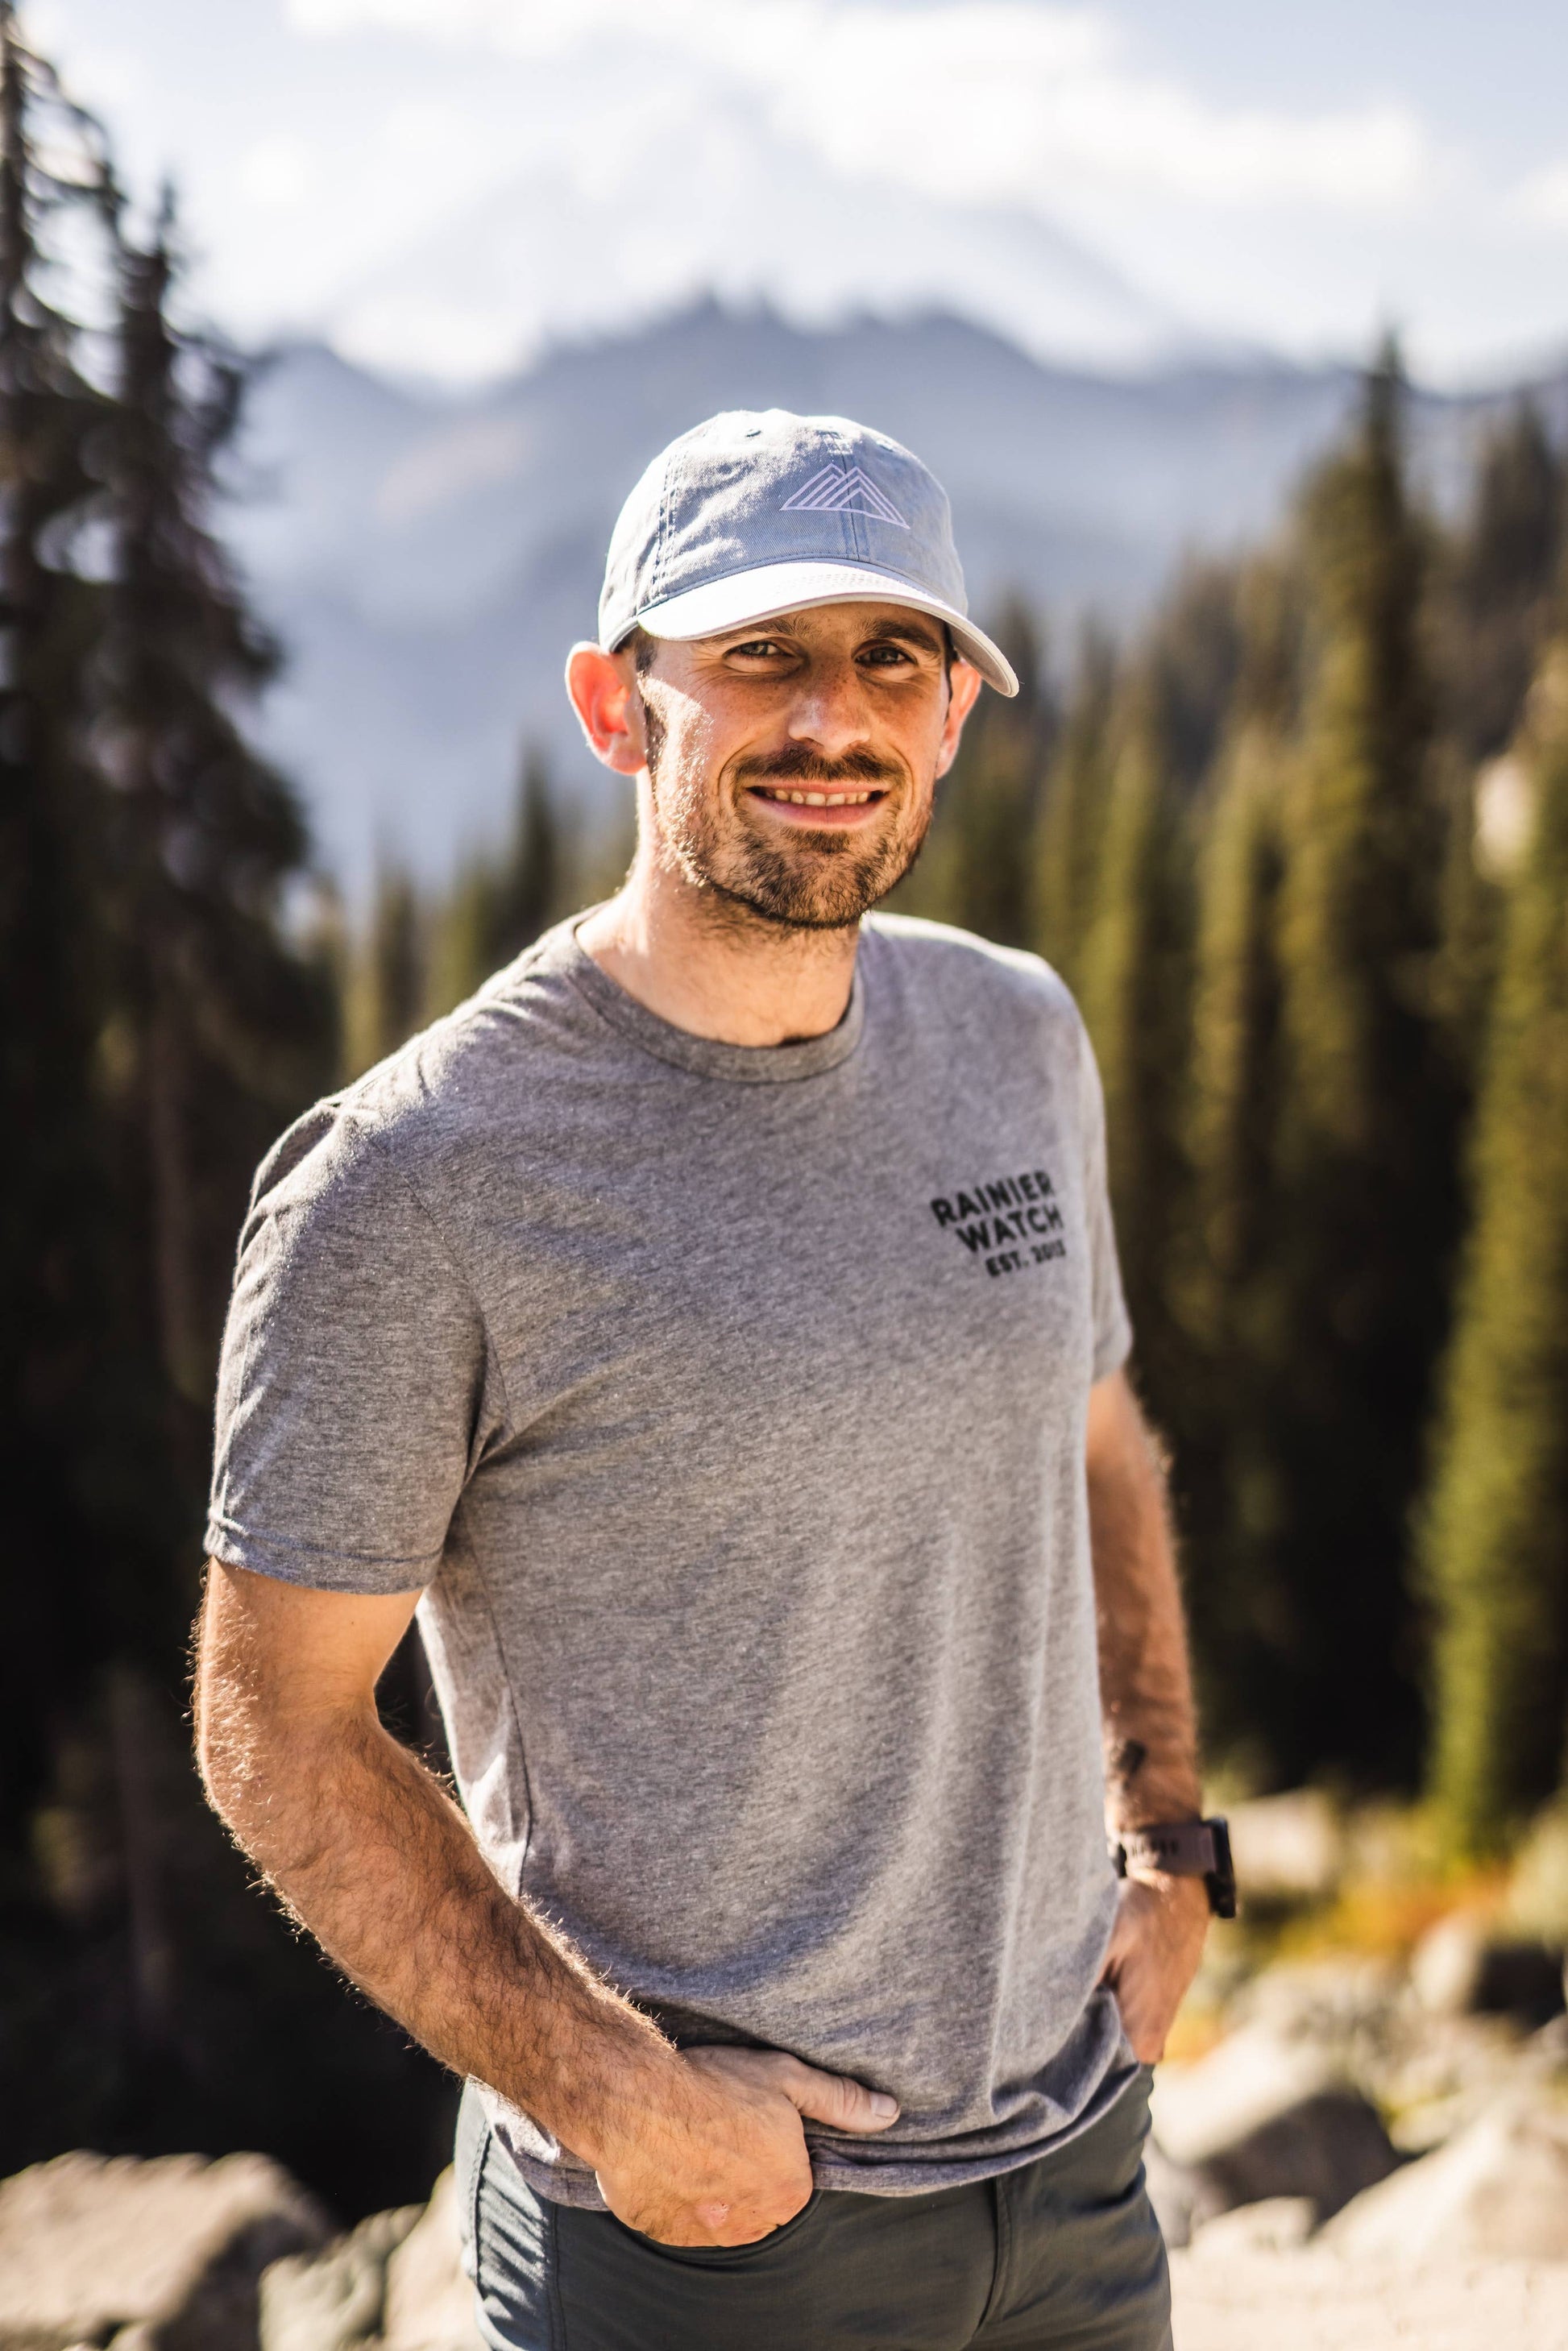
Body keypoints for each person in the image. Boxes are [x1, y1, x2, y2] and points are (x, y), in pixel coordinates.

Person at [196, 409, 1220, 2351]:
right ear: (615, 706)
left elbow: (1095, 1442)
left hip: (1080, 2187)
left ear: (952, 719)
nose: (833, 716)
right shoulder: (415, 1177)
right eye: (761, 652)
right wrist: (624, 2105)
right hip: (709, 2246)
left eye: (892, 658)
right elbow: (275, 1730)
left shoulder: (1014, 1036)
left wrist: (1169, 1839)